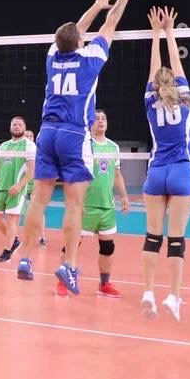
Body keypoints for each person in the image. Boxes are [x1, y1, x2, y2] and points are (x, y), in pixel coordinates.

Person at [14, 0, 137, 293]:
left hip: (46, 133)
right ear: (80, 42)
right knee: (74, 204)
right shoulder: (90, 59)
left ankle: (25, 258)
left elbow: (74, 30)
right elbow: (110, 24)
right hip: (73, 134)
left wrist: (95, 6)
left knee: (38, 199)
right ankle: (69, 266)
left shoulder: (52, 55)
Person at [139, 7, 190, 320]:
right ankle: (173, 297)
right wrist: (170, 31)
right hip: (181, 170)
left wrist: (155, 35)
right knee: (176, 241)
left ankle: (148, 291)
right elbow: (176, 63)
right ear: (174, 82)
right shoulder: (184, 99)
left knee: (152, 237)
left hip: (156, 171)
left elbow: (155, 69)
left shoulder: (150, 100)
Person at [58, 109, 129, 299]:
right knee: (72, 245)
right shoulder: (84, 145)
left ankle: (104, 284)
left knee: (108, 247)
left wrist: (124, 196)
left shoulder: (113, 147)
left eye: (103, 118)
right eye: (97, 119)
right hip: (85, 205)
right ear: (90, 123)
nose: (101, 121)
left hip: (107, 206)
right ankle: (62, 282)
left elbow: (116, 173)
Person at [0, 116, 34, 263]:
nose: (16, 127)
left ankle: (7, 251)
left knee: (12, 219)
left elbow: (32, 170)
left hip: (16, 188)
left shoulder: (28, 145)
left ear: (24, 127)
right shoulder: (4, 146)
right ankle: (14, 241)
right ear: (10, 127)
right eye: (14, 124)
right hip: (1, 187)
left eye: (19, 125)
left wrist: (19, 185)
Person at [20, 128, 47, 247]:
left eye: (30, 136)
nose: (29, 138)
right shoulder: (20, 151)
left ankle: (42, 237)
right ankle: (18, 237)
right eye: (26, 136)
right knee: (19, 212)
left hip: (36, 185)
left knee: (38, 212)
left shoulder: (39, 151)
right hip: (22, 186)